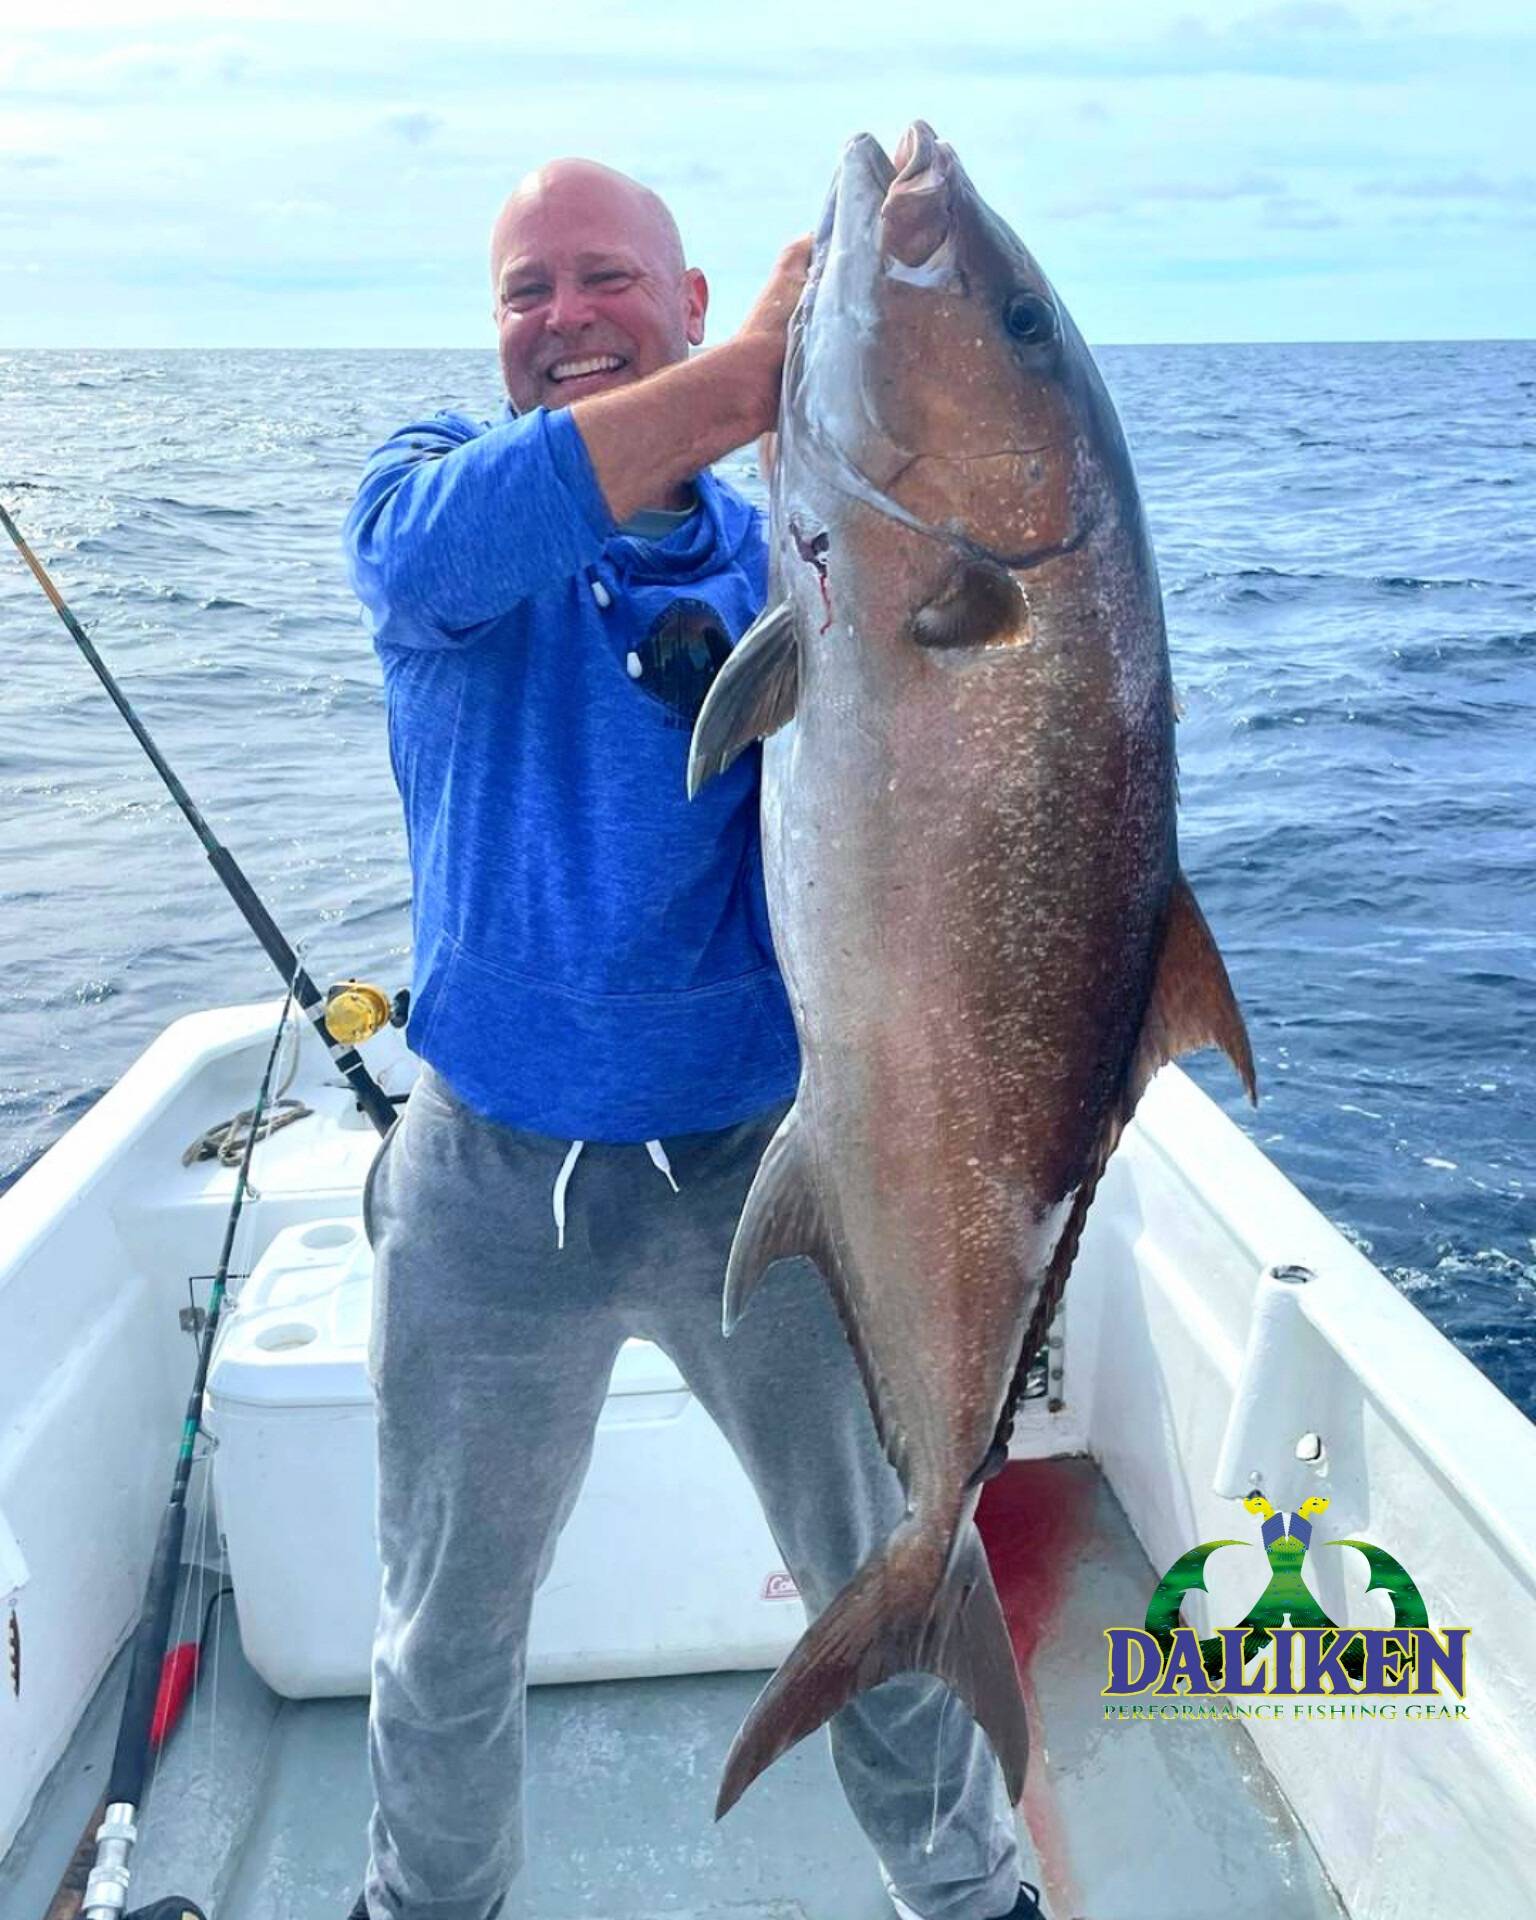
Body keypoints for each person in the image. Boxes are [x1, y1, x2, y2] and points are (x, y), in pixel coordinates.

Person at [342, 156, 1045, 1920]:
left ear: (685, 288)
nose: (564, 319)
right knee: (443, 1635)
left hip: (771, 1169)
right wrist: (758, 381)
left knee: (887, 1573)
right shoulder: (426, 502)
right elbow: (449, 547)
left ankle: (976, 1895)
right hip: (489, 1187)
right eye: (527, 291)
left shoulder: (791, 556)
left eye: (604, 280)